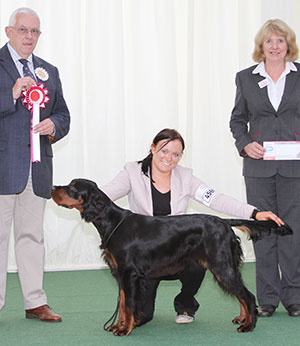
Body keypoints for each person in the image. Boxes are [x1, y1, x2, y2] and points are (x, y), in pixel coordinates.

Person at [101, 128, 283, 325]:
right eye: (164, 150)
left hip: (177, 252)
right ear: (152, 148)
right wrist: (83, 196)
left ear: (180, 157)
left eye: (175, 154)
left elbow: (216, 199)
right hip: (146, 256)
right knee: (141, 316)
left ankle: (186, 304)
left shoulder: (186, 177)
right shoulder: (132, 172)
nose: (168, 158)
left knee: (199, 259)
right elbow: (104, 196)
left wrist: (254, 213)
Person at [0, 8, 70, 322]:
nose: (29, 37)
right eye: (23, 30)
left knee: (32, 236)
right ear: (8, 31)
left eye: (35, 32)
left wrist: (54, 125)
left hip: (37, 168)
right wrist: (11, 95)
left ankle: (34, 303)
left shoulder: (48, 70)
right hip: (3, 167)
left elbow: (63, 115)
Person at [230, 19, 300, 318]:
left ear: (288, 46)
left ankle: (294, 297)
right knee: (263, 233)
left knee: (292, 232)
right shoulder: (245, 77)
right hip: (258, 169)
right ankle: (268, 299)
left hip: (294, 167)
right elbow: (237, 120)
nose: (275, 47)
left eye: (280, 41)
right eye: (269, 41)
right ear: (262, 46)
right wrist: (245, 144)